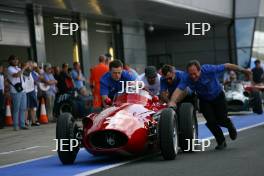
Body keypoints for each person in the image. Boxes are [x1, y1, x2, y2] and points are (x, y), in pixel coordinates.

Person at [168, 60, 252, 150]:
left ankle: (230, 126)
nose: (193, 76)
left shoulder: (208, 69)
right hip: (204, 100)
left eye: (195, 73)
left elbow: (227, 65)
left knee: (221, 119)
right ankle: (221, 141)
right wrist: (172, 101)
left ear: (200, 70)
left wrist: (243, 70)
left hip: (218, 96)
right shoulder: (186, 77)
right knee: (211, 121)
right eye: (190, 74)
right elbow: (179, 89)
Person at [7, 55, 28, 130]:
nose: (16, 61)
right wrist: (24, 68)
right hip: (15, 91)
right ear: (10, 61)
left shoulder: (18, 68)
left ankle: (22, 124)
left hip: (22, 90)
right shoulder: (9, 68)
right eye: (14, 60)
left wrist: (27, 67)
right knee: (16, 108)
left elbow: (26, 74)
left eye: (17, 59)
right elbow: (16, 75)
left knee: (23, 108)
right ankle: (15, 125)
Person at [22, 61, 39, 126]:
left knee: (33, 107)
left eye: (31, 65)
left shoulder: (32, 72)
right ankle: (25, 121)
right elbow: (27, 73)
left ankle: (33, 121)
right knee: (26, 107)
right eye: (30, 65)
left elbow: (37, 78)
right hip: (26, 91)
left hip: (32, 90)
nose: (31, 67)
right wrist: (28, 67)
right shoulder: (24, 72)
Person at [0, 63, 5, 129]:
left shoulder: (2, 75)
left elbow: (2, 84)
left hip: (1, 92)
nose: (1, 69)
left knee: (1, 108)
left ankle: (1, 123)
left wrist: (3, 91)